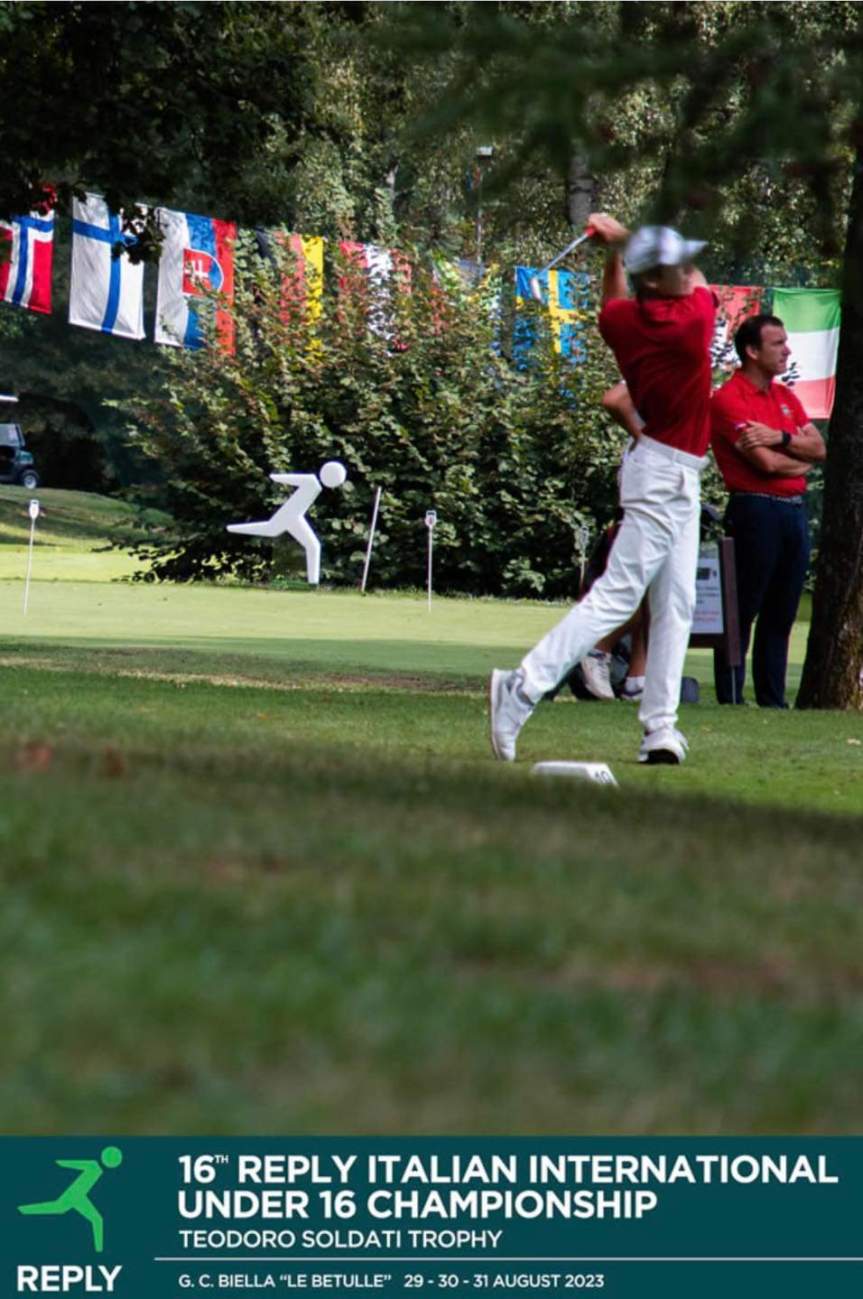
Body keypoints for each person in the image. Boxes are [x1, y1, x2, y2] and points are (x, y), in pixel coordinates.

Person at [490, 216, 716, 765]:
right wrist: (622, 240)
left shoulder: (625, 321)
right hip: (664, 475)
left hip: (666, 468)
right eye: (676, 264)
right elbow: (700, 282)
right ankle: (522, 686)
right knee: (618, 595)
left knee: (676, 603)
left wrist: (612, 252)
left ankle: (659, 727)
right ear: (656, 280)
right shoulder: (691, 321)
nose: (688, 269)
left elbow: (612, 302)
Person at [710, 314, 825, 706]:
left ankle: (772, 700)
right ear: (752, 351)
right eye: (778, 343)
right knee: (744, 606)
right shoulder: (729, 399)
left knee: (782, 609)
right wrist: (799, 461)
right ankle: (731, 696)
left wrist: (780, 437)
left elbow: (819, 448)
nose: (787, 350)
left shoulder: (785, 397)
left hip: (793, 510)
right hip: (755, 509)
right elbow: (766, 464)